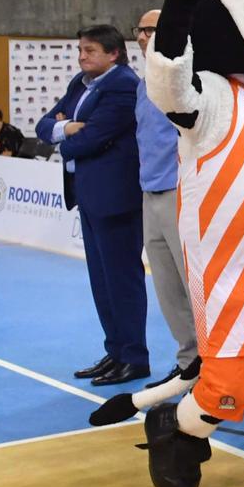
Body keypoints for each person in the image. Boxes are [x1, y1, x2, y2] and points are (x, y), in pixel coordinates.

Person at [37, 25, 148, 387]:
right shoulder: (80, 84)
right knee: (101, 281)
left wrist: (66, 137)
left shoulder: (123, 86)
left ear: (114, 53)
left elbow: (93, 138)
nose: (82, 57)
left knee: (122, 279)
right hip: (88, 195)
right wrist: (67, 128)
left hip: (116, 197)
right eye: (80, 50)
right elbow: (43, 125)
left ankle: (134, 356)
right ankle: (115, 350)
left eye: (90, 51)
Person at [130, 10, 198, 387]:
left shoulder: (187, 78)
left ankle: (216, 367)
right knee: (167, 288)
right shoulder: (144, 84)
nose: (144, 36)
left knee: (194, 286)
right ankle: (189, 363)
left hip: (181, 191)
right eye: (140, 30)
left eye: (152, 29)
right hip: (149, 192)